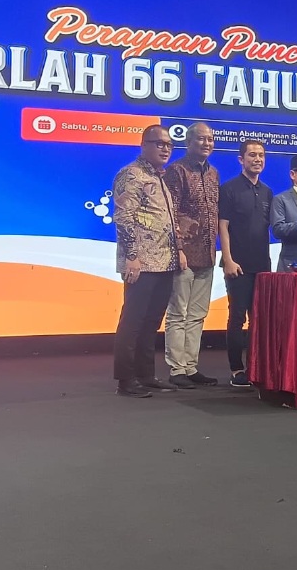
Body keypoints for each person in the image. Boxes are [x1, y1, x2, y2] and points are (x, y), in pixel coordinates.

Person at [111, 125, 187, 398]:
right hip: (141, 263)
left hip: (165, 261)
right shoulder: (131, 174)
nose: (165, 149)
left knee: (152, 321)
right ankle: (126, 380)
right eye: (159, 143)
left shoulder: (159, 177)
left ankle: (146, 375)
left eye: (169, 145)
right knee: (132, 321)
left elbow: (166, 220)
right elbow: (123, 218)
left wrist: (179, 250)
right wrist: (132, 256)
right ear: (144, 145)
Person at [162, 122, 220, 390]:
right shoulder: (177, 171)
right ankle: (177, 369)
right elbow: (170, 214)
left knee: (197, 314)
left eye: (210, 139)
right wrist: (179, 250)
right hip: (184, 254)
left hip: (207, 254)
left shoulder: (213, 173)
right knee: (178, 313)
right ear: (188, 142)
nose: (207, 143)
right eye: (201, 139)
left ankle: (191, 367)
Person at [218, 139, 272, 389]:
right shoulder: (229, 189)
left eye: (261, 155)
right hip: (237, 265)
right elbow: (223, 226)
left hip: (262, 264)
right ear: (241, 159)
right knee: (237, 317)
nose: (257, 159)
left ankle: (255, 366)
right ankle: (236, 369)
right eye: (252, 155)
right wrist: (228, 260)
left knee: (259, 319)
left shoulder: (267, 192)